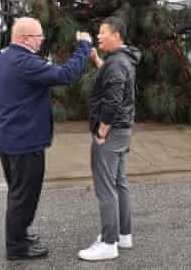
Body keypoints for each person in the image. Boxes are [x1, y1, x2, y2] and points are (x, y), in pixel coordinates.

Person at [0, 17, 92, 261]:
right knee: (23, 196)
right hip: (26, 141)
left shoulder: (1, 60)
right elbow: (66, 75)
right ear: (25, 38)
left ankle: (20, 236)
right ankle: (16, 247)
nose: (42, 41)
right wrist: (84, 46)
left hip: (7, 137)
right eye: (39, 37)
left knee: (17, 192)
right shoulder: (26, 62)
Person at [78, 16, 141, 261]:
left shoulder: (116, 64)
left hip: (112, 132)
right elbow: (115, 80)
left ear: (117, 35)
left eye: (103, 32)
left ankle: (108, 242)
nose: (99, 36)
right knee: (118, 182)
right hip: (123, 130)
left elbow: (113, 100)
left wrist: (102, 132)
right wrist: (96, 60)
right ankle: (123, 235)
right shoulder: (122, 59)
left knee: (106, 188)